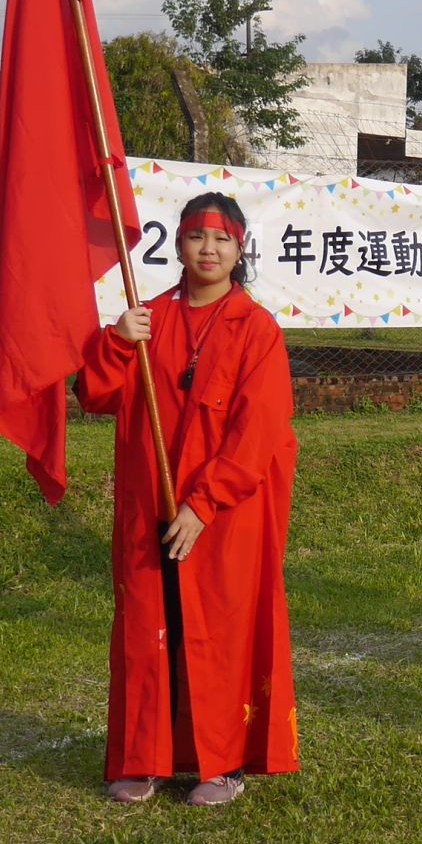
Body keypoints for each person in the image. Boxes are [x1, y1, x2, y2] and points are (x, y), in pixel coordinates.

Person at [78, 192, 298, 806]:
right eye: (198, 237)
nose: (209, 249)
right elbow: (94, 396)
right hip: (150, 503)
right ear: (175, 243)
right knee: (148, 627)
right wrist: (119, 342)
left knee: (217, 631)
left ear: (239, 249)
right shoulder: (145, 320)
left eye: (222, 239)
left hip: (223, 515)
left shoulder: (257, 331)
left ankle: (219, 763)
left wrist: (204, 505)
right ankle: (142, 757)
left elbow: (260, 433)